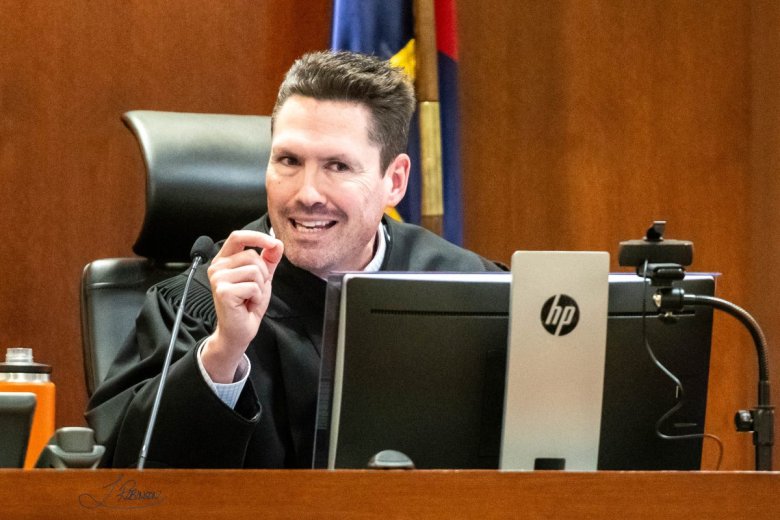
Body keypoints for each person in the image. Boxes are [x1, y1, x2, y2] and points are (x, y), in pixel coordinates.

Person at [86, 50, 505, 468]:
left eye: (337, 166)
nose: (307, 194)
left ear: (394, 182)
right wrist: (222, 353)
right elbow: (123, 474)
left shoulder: (473, 290)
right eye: (289, 161)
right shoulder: (198, 302)